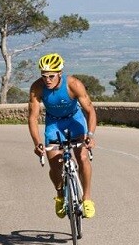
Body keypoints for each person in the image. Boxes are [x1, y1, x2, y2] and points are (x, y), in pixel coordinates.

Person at [28, 53, 97, 219]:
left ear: (60, 73)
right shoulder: (37, 88)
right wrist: (37, 143)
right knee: (55, 164)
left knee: (82, 157)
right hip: (54, 124)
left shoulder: (73, 84)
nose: (48, 80)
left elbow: (90, 110)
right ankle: (60, 194)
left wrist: (90, 134)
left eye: (51, 76)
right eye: (44, 76)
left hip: (75, 120)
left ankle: (87, 199)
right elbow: (33, 117)